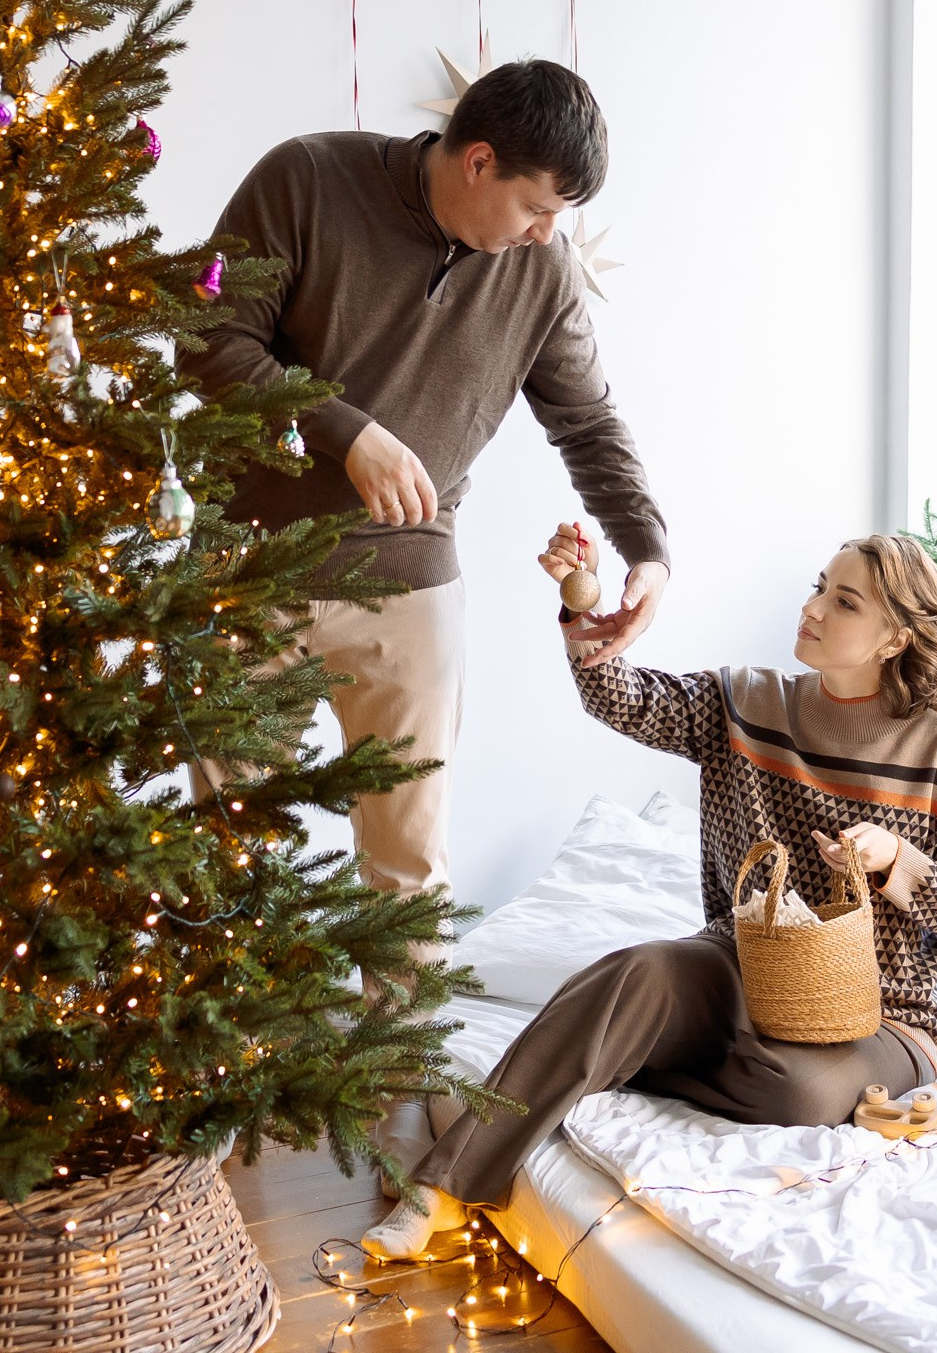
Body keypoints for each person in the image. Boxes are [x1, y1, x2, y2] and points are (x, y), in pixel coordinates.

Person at [362, 529, 937, 1259]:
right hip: (738, 965)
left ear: (895, 638)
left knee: (792, 1094)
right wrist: (585, 620)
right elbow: (623, 698)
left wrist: (894, 859)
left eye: (844, 601)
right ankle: (442, 1189)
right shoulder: (748, 702)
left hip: (881, 1015)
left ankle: (605, 1047)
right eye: (820, 586)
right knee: (640, 973)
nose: (814, 608)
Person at [183, 62, 670, 906]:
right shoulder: (305, 178)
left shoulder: (543, 275)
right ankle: (236, 1042)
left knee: (408, 871)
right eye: (537, 208)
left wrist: (646, 550)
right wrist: (349, 434)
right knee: (228, 853)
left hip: (409, 585)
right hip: (250, 565)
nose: (545, 236)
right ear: (479, 162)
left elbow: (586, 421)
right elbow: (207, 339)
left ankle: (401, 1039)